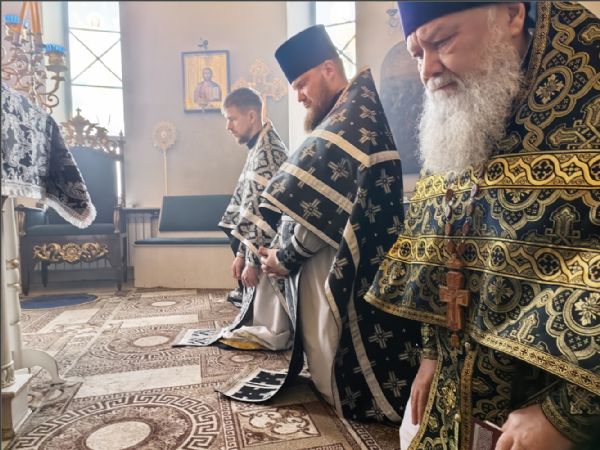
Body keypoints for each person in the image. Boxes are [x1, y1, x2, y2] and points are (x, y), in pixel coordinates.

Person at [365, 2, 599, 449]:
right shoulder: (459, 113)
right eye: (417, 53)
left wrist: (568, 416)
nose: (427, 70)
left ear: (511, 14)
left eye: (441, 41)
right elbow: (440, 253)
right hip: (455, 393)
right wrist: (431, 354)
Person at [219, 24, 420, 421]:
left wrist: (287, 256)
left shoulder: (348, 121)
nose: (299, 96)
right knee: (324, 341)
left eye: (302, 84)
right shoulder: (350, 112)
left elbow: (321, 209)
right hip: (326, 254)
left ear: (329, 69)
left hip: (332, 259)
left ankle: (343, 392)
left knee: (334, 347)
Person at [177, 87, 290, 350]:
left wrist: (251, 260)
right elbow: (248, 205)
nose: (228, 126)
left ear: (251, 116)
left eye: (232, 119)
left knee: (269, 331)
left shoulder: (268, 151)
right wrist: (241, 254)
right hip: (258, 248)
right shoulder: (259, 146)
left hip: (270, 253)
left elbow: (266, 214)